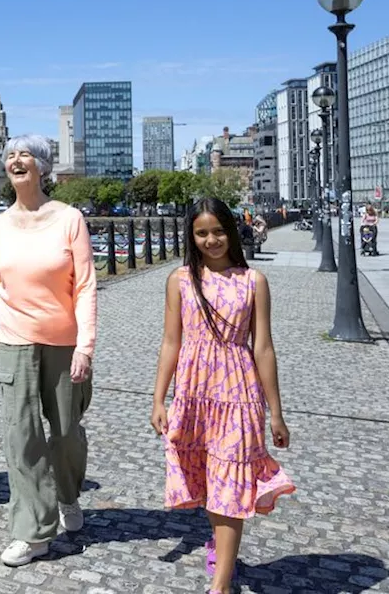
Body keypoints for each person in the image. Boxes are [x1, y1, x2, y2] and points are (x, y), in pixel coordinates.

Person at [150, 197, 295, 594]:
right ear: (191, 236)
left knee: (230, 484)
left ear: (232, 231)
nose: (211, 240)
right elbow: (170, 341)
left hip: (239, 394)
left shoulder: (254, 282)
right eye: (201, 233)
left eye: (218, 231)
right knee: (211, 483)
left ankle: (220, 586)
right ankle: (221, 549)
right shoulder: (179, 280)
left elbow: (263, 347)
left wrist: (276, 413)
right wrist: (159, 398)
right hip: (194, 394)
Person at [0, 134, 97, 567]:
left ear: (43, 166)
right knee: (22, 436)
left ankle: (68, 493)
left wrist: (85, 346)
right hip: (15, 340)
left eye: (25, 154)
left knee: (66, 432)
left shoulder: (68, 219)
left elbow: (85, 285)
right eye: (11, 155)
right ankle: (32, 531)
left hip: (65, 342)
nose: (16, 160)